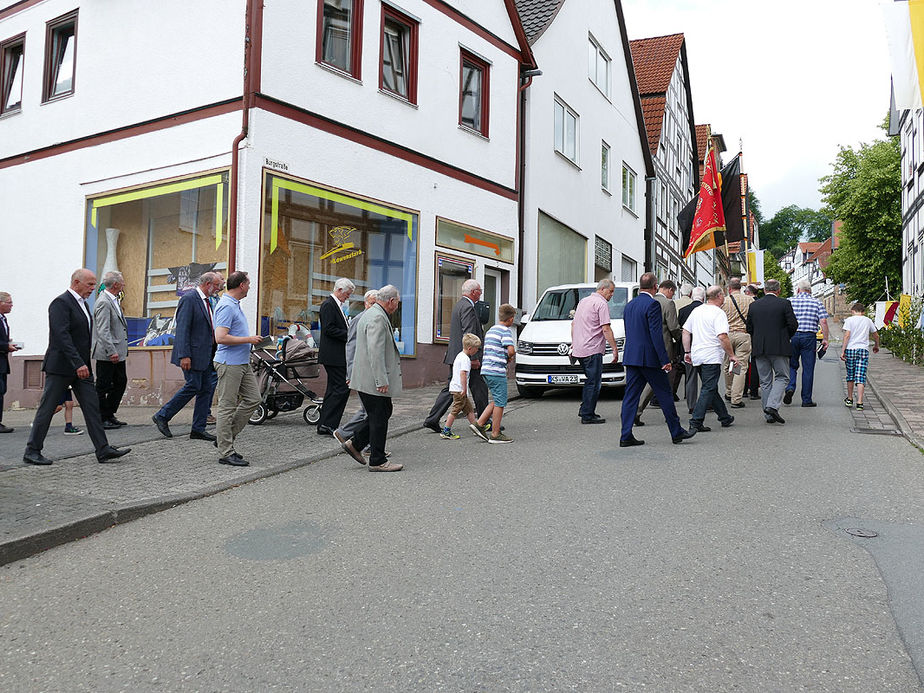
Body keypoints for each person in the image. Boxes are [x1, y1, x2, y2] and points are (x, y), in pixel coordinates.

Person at [23, 269, 131, 465]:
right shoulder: (61, 303)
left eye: (94, 284)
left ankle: (103, 449)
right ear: (76, 282)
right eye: (90, 284)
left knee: (92, 407)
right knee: (47, 408)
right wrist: (78, 363)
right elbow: (61, 337)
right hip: (62, 367)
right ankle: (32, 450)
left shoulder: (82, 304)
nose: (93, 288)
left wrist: (84, 364)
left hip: (81, 368)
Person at [619, 273, 695, 447]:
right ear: (654, 287)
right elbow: (656, 334)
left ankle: (626, 434)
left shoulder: (629, 305)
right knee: (665, 394)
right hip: (650, 359)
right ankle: (676, 432)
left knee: (630, 397)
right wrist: (664, 359)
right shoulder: (652, 304)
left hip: (632, 356)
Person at [152, 271, 223, 442]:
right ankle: (162, 415)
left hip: (207, 353)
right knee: (193, 385)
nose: (218, 290)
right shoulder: (189, 299)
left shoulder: (207, 301)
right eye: (216, 286)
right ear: (207, 284)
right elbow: (182, 329)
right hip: (192, 354)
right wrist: (184, 355)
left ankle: (198, 429)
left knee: (206, 389)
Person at [348, 285, 404, 472]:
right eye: (397, 302)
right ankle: (377, 460)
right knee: (379, 416)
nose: (397, 306)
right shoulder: (378, 317)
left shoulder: (373, 314)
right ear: (391, 301)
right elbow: (375, 351)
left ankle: (355, 444)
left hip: (367, 377)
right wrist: (381, 380)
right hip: (372, 378)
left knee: (383, 411)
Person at [212, 271, 263, 466]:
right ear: (241, 285)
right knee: (226, 406)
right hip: (229, 363)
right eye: (248, 284)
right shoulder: (226, 306)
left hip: (241, 362)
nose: (250, 287)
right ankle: (226, 452)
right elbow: (220, 337)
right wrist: (249, 339)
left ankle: (224, 437)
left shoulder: (234, 305)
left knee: (254, 399)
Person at [423, 279, 487, 431]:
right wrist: (473, 357)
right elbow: (469, 332)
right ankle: (485, 420)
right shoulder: (468, 307)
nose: (481, 293)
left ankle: (432, 419)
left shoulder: (459, 305)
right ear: (473, 292)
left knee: (452, 388)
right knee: (479, 387)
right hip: (466, 357)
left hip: (456, 356)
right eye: (480, 290)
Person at [682, 286, 738, 432]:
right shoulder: (718, 313)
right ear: (719, 296)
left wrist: (687, 351)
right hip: (711, 355)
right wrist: (732, 355)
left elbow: (686, 332)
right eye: (723, 295)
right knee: (708, 387)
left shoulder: (697, 310)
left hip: (697, 354)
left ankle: (724, 417)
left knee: (710, 386)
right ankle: (696, 421)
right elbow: (722, 336)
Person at [334, 289, 379, 465]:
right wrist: (350, 372)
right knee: (368, 410)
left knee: (369, 410)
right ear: (366, 303)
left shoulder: (376, 319)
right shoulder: (360, 320)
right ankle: (346, 434)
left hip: (369, 372)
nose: (375, 306)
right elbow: (351, 347)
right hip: (360, 372)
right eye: (372, 303)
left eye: (377, 303)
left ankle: (364, 442)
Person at [746, 279, 798, 424]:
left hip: (759, 347)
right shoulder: (784, 303)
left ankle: (768, 414)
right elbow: (793, 324)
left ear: (764, 290)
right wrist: (785, 336)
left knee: (765, 381)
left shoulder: (754, 305)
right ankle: (772, 406)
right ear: (778, 290)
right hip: (779, 347)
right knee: (782, 377)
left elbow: (749, 327)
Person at [570, 279, 619, 424]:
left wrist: (574, 343)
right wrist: (614, 348)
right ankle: (587, 414)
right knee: (594, 382)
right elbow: (606, 328)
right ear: (602, 289)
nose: (611, 295)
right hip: (592, 348)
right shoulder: (601, 304)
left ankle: (585, 408)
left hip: (580, 348)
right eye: (610, 291)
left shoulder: (583, 301)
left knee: (590, 380)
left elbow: (574, 324)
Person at [635, 280, 682, 424]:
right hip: (663, 346)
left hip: (644, 346)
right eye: (673, 292)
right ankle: (638, 411)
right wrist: (681, 338)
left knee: (646, 381)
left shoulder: (643, 301)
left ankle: (635, 410)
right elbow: (673, 327)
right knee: (659, 381)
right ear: (668, 289)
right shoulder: (668, 303)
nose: (672, 295)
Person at [317, 277, 355, 436]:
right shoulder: (329, 305)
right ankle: (328, 423)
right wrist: (349, 334)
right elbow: (328, 329)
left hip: (336, 355)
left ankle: (325, 424)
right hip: (333, 355)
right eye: (347, 294)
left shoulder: (335, 305)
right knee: (341, 388)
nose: (348, 297)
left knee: (334, 389)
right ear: (339, 290)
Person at [475, 303, 517, 443]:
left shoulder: (491, 330)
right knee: (500, 402)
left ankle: (479, 424)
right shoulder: (505, 331)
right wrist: (510, 357)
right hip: (497, 371)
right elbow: (510, 350)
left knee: (497, 399)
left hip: (486, 370)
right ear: (511, 319)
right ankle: (495, 433)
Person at [92, 271, 129, 429]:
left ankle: (109, 413)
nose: (124, 284)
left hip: (117, 351)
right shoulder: (104, 302)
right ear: (115, 285)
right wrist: (111, 350)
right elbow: (103, 330)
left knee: (120, 382)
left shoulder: (114, 300)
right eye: (122, 282)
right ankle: (101, 417)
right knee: (103, 385)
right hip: (107, 352)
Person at [785, 279, 829, 407]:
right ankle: (806, 400)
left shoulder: (789, 301)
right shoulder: (817, 302)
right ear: (810, 291)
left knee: (791, 365)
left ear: (798, 290)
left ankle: (790, 387)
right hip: (809, 337)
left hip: (792, 336)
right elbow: (824, 322)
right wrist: (825, 339)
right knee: (808, 369)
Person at [440, 333, 486, 441]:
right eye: (476, 349)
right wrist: (464, 389)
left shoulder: (459, 355)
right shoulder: (465, 359)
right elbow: (463, 374)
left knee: (469, 410)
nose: (477, 351)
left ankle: (476, 427)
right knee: (455, 410)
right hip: (459, 389)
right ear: (470, 349)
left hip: (456, 388)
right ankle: (446, 430)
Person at [841, 302, 880, 411]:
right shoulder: (868, 320)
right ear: (863, 312)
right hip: (863, 350)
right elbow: (876, 335)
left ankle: (849, 399)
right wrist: (876, 346)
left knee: (850, 375)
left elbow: (847, 335)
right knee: (861, 375)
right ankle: (860, 402)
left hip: (851, 349)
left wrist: (843, 350)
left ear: (853, 311)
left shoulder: (849, 320)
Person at [721, 277, 754, 408]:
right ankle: (736, 398)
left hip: (727, 335)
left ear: (729, 288)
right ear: (740, 288)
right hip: (743, 334)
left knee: (727, 364)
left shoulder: (724, 301)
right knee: (740, 366)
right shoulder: (750, 300)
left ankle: (728, 392)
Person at [677, 286, 705, 414]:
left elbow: (681, 332)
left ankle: (691, 405)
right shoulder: (707, 310)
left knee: (690, 377)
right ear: (703, 298)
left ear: (691, 296)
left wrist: (682, 351)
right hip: (704, 347)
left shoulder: (683, 311)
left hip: (689, 349)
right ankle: (708, 402)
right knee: (707, 378)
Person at [0, 291, 19, 433]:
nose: (11, 305)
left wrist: (7, 343)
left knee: (2, 391)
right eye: (9, 302)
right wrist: (5, 346)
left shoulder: (3, 319)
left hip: (2, 361)